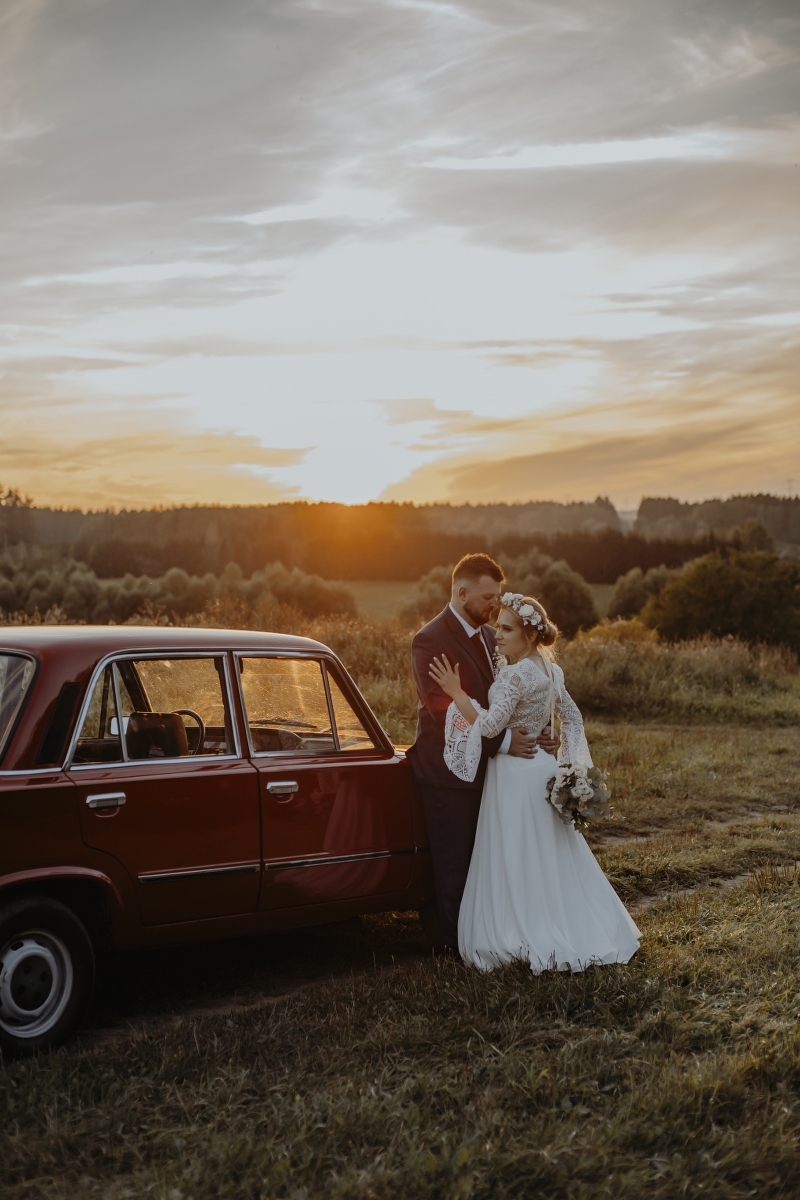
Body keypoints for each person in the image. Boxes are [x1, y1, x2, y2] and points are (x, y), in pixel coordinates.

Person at [428, 592, 640, 972]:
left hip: (514, 774)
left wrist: (457, 693)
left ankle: (523, 929)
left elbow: (489, 726)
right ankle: (566, 924)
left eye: (507, 629)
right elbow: (572, 717)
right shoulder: (551, 670)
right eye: (498, 627)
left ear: (528, 635)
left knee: (516, 852)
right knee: (546, 855)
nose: (497, 634)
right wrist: (564, 757)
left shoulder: (517, 674)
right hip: (541, 768)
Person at [407, 554, 557, 952]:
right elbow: (444, 711)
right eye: (488, 597)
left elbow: (513, 698)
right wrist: (505, 742)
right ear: (462, 593)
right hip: (449, 775)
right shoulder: (430, 639)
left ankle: (489, 937)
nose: (495, 604)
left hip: (495, 772)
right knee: (455, 864)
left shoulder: (494, 637)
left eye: (497, 597)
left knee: (488, 861)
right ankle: (455, 947)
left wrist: (539, 732)